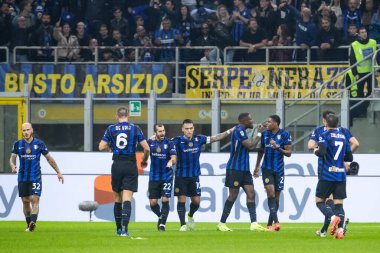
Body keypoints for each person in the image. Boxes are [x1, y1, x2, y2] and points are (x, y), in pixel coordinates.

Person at [172, 119, 234, 231]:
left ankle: (190, 215)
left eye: (191, 128)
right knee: (181, 199)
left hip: (194, 175)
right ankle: (182, 225)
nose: (189, 131)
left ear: (193, 128)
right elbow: (164, 143)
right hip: (181, 175)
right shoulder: (176, 141)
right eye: (186, 129)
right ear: (182, 129)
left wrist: (230, 131)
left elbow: (216, 137)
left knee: (196, 202)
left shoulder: (199, 139)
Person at [98, 106, 150, 237]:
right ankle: (125, 230)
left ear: (117, 116)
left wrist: (111, 147)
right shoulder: (135, 128)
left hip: (117, 164)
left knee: (117, 198)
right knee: (127, 198)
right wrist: (144, 160)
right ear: (128, 116)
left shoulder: (111, 129)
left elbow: (101, 146)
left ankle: (118, 229)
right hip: (130, 165)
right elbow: (147, 148)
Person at [308, 109, 359, 237]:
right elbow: (349, 157)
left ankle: (332, 218)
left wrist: (315, 151)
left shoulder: (324, 134)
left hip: (327, 173)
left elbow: (321, 152)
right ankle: (340, 231)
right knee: (338, 203)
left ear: (326, 123)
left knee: (319, 201)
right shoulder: (342, 136)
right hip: (341, 174)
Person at [217, 113, 268, 232]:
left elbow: (248, 145)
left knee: (251, 194)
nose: (252, 120)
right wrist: (259, 134)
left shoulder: (243, 131)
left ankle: (254, 223)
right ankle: (221, 223)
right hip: (235, 168)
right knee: (233, 195)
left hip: (244, 169)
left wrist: (260, 130)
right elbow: (250, 146)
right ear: (244, 121)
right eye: (250, 119)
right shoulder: (239, 130)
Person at [9, 122, 64, 232]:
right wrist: (12, 165)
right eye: (24, 130)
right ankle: (29, 224)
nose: (26, 132)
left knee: (35, 199)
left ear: (32, 130)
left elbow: (49, 158)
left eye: (27, 130)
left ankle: (33, 222)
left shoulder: (39, 144)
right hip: (22, 177)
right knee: (25, 201)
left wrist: (58, 172)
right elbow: (12, 157)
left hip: (35, 176)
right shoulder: (17, 144)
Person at [254, 115, 292, 231]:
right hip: (267, 169)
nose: (267, 123)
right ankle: (277, 221)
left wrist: (278, 148)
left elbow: (289, 153)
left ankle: (269, 224)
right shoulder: (265, 134)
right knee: (270, 193)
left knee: (276, 197)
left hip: (279, 169)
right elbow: (261, 151)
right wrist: (257, 167)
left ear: (276, 123)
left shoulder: (285, 134)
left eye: (269, 122)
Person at [146, 124, 177, 231]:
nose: (162, 133)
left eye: (163, 130)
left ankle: (162, 224)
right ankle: (160, 216)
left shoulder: (169, 143)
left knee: (165, 199)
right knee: (153, 202)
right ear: (155, 132)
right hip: (154, 176)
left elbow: (174, 158)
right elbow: (142, 149)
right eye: (160, 131)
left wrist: (171, 161)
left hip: (167, 175)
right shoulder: (150, 142)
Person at [348, 26, 377, 121]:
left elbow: (377, 56)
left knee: (371, 92)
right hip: (360, 73)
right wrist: (355, 72)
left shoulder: (373, 42)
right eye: (362, 32)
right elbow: (352, 60)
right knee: (360, 93)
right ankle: (361, 112)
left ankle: (367, 108)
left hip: (371, 71)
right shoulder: (354, 44)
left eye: (365, 32)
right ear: (359, 34)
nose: (364, 33)